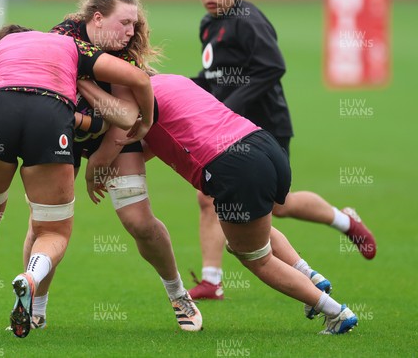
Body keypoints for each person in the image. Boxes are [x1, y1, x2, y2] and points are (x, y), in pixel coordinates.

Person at [86, 74, 359, 335]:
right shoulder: (173, 83)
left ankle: (335, 312)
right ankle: (307, 274)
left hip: (235, 166)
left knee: (256, 258)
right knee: (248, 234)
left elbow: (115, 143)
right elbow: (162, 141)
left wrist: (97, 168)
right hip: (264, 146)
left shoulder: (137, 103)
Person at [0, 24, 155, 339]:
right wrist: (147, 121)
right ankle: (31, 279)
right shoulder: (68, 45)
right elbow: (139, 79)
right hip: (48, 115)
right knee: (53, 229)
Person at [188, 0, 377, 301]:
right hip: (228, 129)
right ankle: (212, 280)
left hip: (265, 126)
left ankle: (345, 220)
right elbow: (213, 79)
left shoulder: (247, 20)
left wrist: (228, 107)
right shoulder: (208, 24)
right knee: (209, 196)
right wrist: (180, 89)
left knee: (278, 206)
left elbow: (272, 66)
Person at [22, 0, 202, 332]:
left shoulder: (125, 52)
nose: (131, 31)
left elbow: (127, 118)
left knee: (139, 222)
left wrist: (98, 163)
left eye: (135, 24)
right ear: (98, 18)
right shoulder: (62, 37)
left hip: (115, 137)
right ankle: (34, 306)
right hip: (66, 130)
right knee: (42, 224)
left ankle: (179, 294)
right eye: (124, 23)